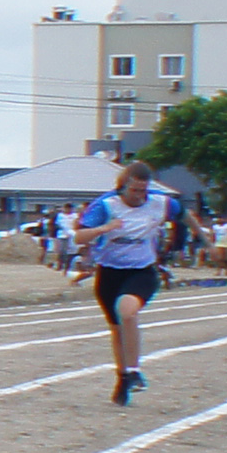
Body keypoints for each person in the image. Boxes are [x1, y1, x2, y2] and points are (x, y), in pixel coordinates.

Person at [75, 158, 177, 405]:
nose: (140, 195)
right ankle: (123, 377)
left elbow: (185, 215)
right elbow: (79, 236)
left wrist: (201, 239)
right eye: (135, 190)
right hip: (109, 272)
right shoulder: (106, 205)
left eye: (144, 190)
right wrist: (104, 228)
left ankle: (134, 369)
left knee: (128, 312)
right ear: (122, 187)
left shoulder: (158, 202)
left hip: (142, 270)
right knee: (117, 328)